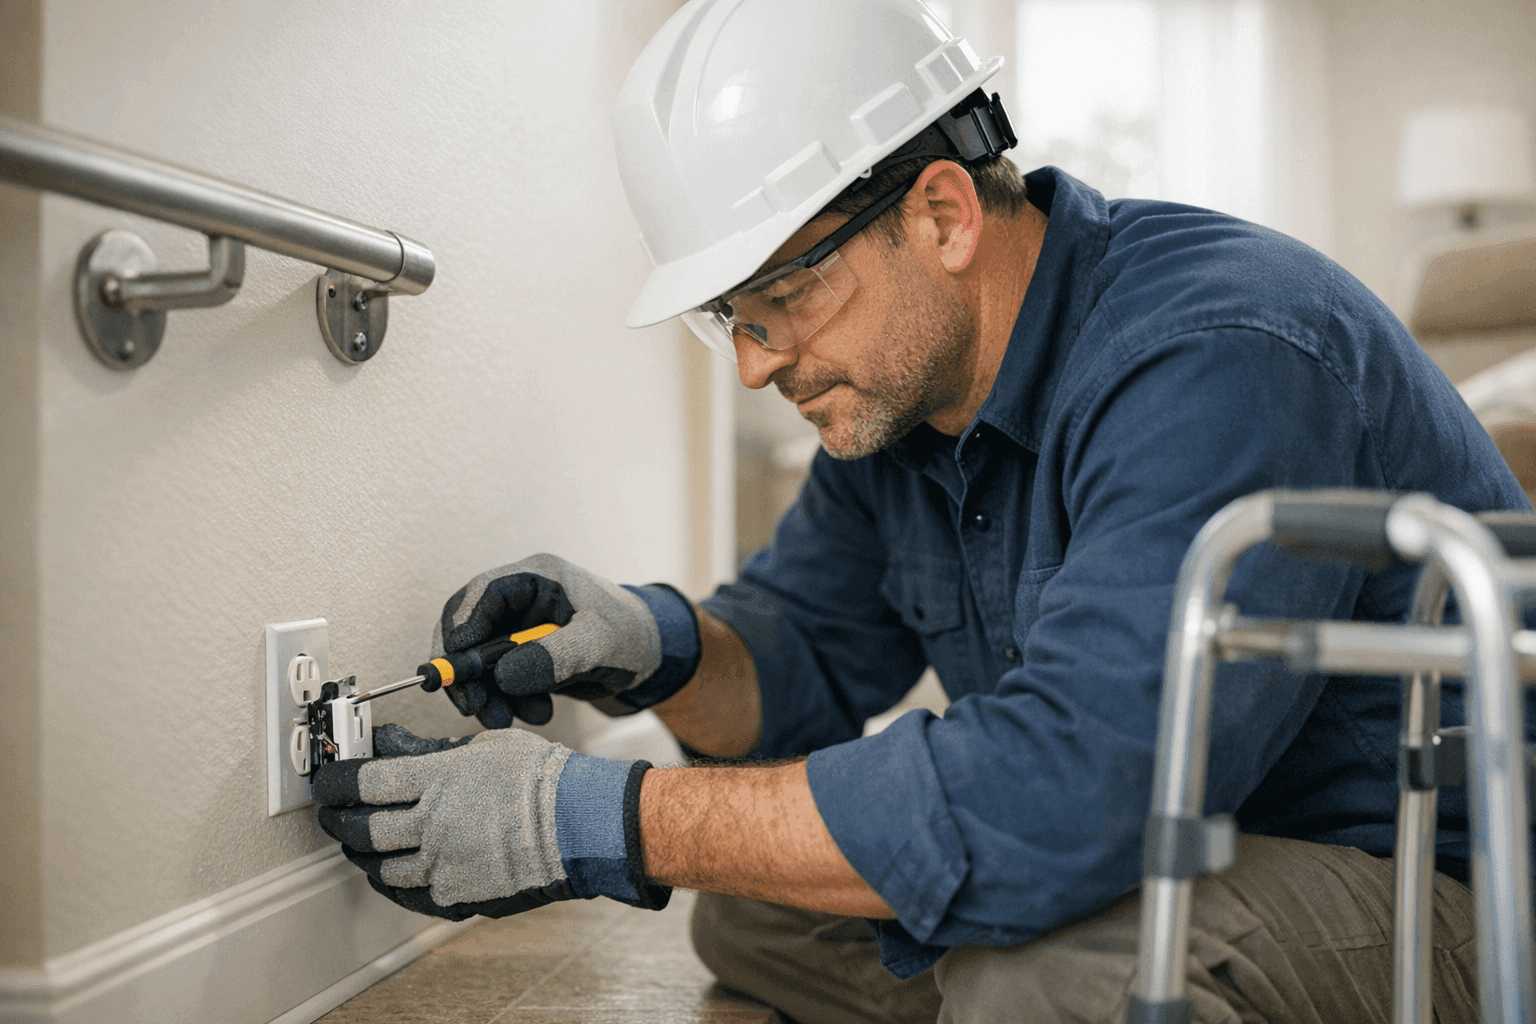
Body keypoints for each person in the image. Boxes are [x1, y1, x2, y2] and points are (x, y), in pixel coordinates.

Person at [311, 1, 1529, 1021]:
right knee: (758, 911)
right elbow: (795, 654)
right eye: (730, 316)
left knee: (1050, 972)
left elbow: (1078, 786)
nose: (751, 363)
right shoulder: (905, 400)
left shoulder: (1217, 355)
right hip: (1191, 844)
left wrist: (583, 816)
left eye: (782, 295)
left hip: (1440, 882)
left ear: (942, 214)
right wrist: (646, 642)